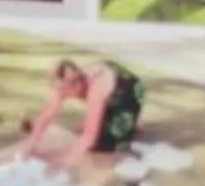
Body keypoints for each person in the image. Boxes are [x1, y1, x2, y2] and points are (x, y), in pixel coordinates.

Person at [9, 57, 144, 167]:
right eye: (59, 91)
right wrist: (31, 143)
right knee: (93, 130)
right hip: (108, 90)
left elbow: (89, 137)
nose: (61, 95)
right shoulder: (65, 84)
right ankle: (115, 118)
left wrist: (63, 162)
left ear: (76, 84)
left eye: (64, 91)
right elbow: (46, 115)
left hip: (128, 93)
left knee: (103, 145)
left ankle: (130, 124)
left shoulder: (95, 89)